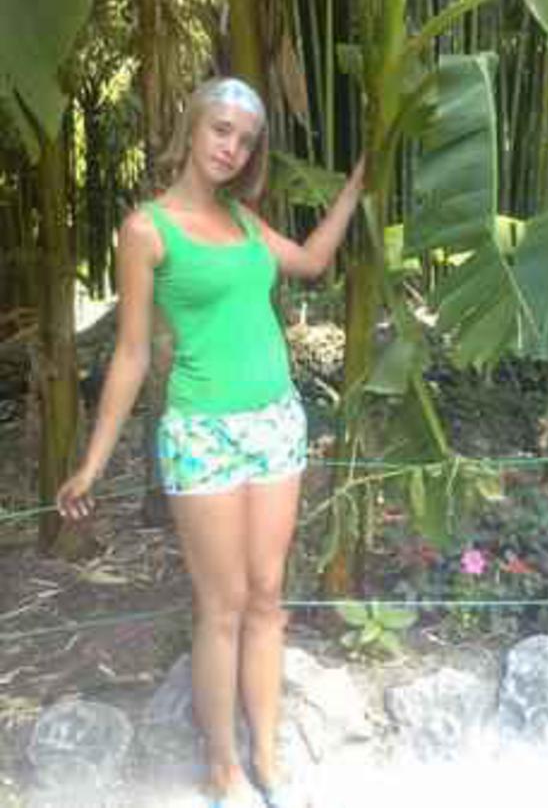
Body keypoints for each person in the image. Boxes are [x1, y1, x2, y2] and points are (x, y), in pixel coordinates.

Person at [57, 76, 364, 808]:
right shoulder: (147, 229)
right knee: (221, 606)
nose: (232, 148)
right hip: (203, 434)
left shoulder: (245, 221)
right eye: (221, 130)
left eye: (246, 140)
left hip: (276, 424)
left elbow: (312, 261)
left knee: (267, 598)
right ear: (192, 128)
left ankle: (268, 758)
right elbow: (132, 353)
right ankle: (223, 770)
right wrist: (91, 464)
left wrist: (358, 182)